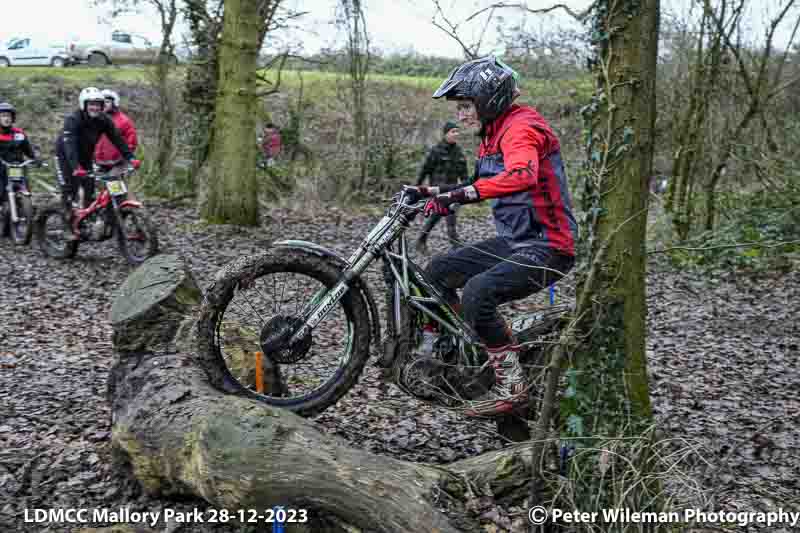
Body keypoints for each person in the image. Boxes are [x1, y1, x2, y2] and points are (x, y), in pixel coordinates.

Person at [408, 56, 578, 417]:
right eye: (458, 107)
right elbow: (475, 184)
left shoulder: (521, 128)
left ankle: (513, 387)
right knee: (437, 271)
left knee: (478, 291)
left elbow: (522, 174)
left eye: (466, 106)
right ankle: (448, 354)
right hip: (516, 240)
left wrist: (458, 197)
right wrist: (428, 192)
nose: (461, 115)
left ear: (490, 101)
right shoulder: (491, 135)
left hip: (549, 246)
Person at [54, 87, 139, 240]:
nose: (95, 107)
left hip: (86, 156)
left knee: (90, 189)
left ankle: (87, 222)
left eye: (98, 104)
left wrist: (130, 158)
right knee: (70, 188)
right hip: (66, 156)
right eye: (91, 104)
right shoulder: (73, 120)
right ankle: (67, 227)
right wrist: (75, 167)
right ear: (84, 105)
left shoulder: (104, 120)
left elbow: (117, 139)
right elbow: (70, 145)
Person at [414, 121, 468, 254]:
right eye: (453, 131)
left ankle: (452, 245)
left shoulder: (459, 153)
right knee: (442, 215)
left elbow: (464, 175)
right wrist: (417, 187)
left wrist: (468, 190)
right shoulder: (436, 151)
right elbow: (425, 169)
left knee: (447, 216)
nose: (456, 134)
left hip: (453, 190)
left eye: (457, 131)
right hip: (437, 190)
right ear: (445, 134)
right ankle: (454, 245)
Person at [0, 102, 36, 208]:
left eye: (9, 116)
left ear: (13, 118)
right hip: (1, 170)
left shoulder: (19, 134)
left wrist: (35, 159)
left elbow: (28, 151)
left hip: (17, 168)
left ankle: (28, 212)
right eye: (3, 116)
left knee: (26, 192)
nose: (6, 118)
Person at [94, 89, 138, 168]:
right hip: (97, 163)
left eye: (107, 102)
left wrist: (123, 159)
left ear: (114, 103)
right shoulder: (94, 119)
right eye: (101, 102)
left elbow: (132, 143)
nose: (104, 104)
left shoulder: (124, 121)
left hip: (117, 165)